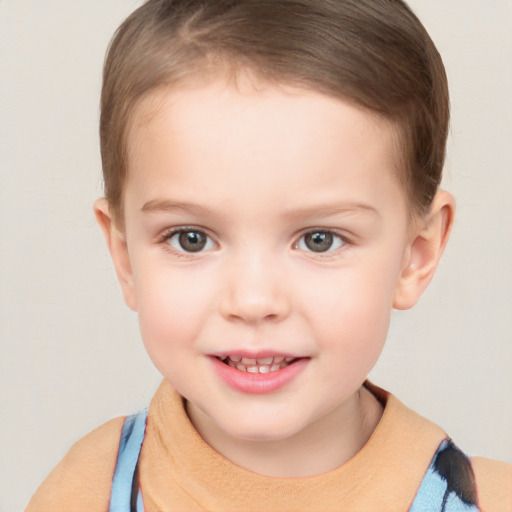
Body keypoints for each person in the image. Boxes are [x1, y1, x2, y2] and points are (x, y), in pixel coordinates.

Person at [26, 0, 511, 511]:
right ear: (125, 257)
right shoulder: (87, 490)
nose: (253, 300)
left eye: (319, 239)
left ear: (416, 254)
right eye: (191, 238)